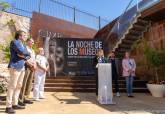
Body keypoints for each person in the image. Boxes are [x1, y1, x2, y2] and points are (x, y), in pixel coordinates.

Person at [6, 30, 30, 114]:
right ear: (19, 36)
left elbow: (28, 54)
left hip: (22, 66)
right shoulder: (14, 42)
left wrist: (24, 55)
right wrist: (24, 54)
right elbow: (22, 52)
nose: (25, 37)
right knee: (12, 86)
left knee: (19, 85)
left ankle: (15, 103)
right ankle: (8, 106)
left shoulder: (23, 44)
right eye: (24, 35)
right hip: (15, 66)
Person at [19, 38, 36, 106]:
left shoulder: (32, 50)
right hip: (26, 67)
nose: (33, 43)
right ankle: (20, 99)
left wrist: (34, 65)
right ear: (28, 42)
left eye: (33, 42)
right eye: (32, 42)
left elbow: (34, 59)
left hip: (32, 68)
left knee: (29, 83)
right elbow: (23, 58)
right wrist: (29, 64)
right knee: (24, 83)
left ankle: (26, 97)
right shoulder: (24, 48)